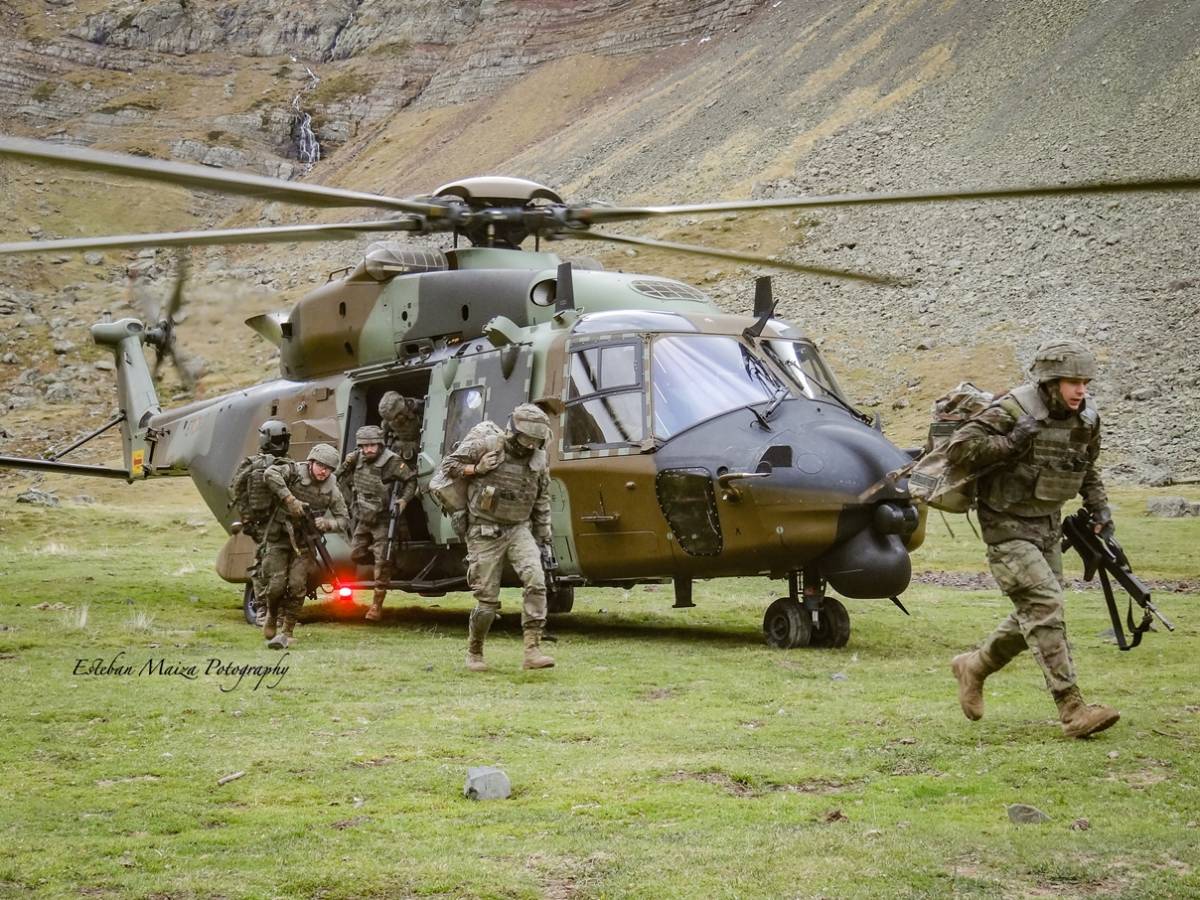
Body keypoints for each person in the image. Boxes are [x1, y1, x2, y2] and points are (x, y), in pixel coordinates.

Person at [946, 339, 1119, 738]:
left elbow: (1087, 469)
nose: (1081, 390)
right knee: (1045, 604)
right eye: (1072, 381)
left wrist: (1101, 512)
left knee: (1040, 612)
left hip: (1046, 525)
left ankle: (974, 666)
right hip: (1006, 527)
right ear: (1049, 381)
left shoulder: (1086, 420)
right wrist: (1010, 442)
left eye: (1085, 382)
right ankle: (1072, 708)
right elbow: (960, 450)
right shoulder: (1012, 409)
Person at [440, 403, 555, 672]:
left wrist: (543, 537)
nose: (530, 446)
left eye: (536, 441)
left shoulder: (538, 459)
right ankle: (475, 651)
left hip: (518, 528)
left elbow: (542, 500)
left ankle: (532, 650)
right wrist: (476, 469)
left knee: (536, 582)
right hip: (484, 530)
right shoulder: (487, 445)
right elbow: (449, 466)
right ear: (514, 432)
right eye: (528, 439)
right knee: (488, 602)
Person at [261, 443, 350, 649]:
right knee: (275, 586)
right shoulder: (293, 471)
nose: (323, 471)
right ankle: (272, 615)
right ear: (311, 462)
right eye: (320, 465)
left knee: (297, 585)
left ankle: (288, 631)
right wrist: (289, 499)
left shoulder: (332, 491)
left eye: (328, 468)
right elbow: (270, 473)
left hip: (305, 542)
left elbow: (344, 519)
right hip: (279, 537)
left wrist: (328, 524)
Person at [336, 425, 416, 621]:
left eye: (372, 445)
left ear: (379, 445)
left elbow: (411, 481)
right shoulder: (356, 458)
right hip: (363, 516)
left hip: (383, 519)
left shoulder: (391, 461)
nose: (368, 449)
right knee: (356, 554)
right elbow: (338, 478)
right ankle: (389, 565)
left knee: (382, 562)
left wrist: (403, 501)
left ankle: (376, 606)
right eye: (364, 446)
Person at [227, 420, 291, 626]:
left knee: (283, 567)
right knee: (263, 566)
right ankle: (262, 608)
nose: (281, 444)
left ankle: (279, 611)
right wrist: (248, 517)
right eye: (277, 440)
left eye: (283, 440)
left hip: (283, 522)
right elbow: (237, 489)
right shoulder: (252, 463)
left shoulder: (289, 463)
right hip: (262, 523)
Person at [378, 391, 423, 463]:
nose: (395, 421)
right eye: (392, 419)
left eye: (397, 416)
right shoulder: (387, 423)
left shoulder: (421, 407)